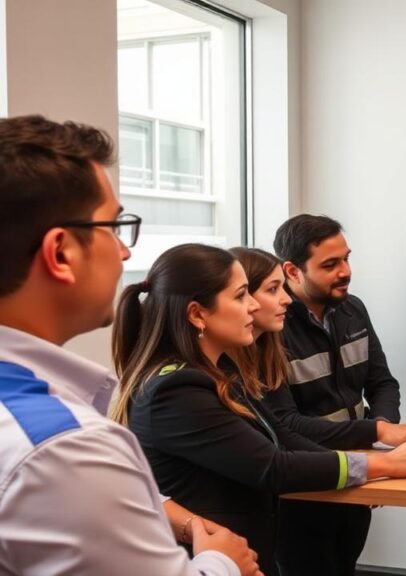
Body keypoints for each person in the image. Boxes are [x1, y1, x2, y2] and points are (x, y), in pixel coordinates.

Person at [0, 114, 258, 575]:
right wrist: (224, 562)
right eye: (114, 227)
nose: (125, 252)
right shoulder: (65, 449)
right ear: (61, 253)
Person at [109, 243, 406, 576]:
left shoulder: (219, 372)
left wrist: (366, 472)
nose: (253, 305)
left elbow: (282, 436)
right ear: (198, 314)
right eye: (241, 296)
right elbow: (273, 466)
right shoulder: (177, 390)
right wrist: (382, 464)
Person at [228, 246, 406, 574]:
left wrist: (369, 459)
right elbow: (280, 449)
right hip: (299, 497)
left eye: (346, 258)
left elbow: (381, 383)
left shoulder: (350, 311)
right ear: (294, 270)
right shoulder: (202, 381)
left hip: (340, 470)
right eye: (330, 264)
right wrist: (377, 456)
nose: (345, 271)